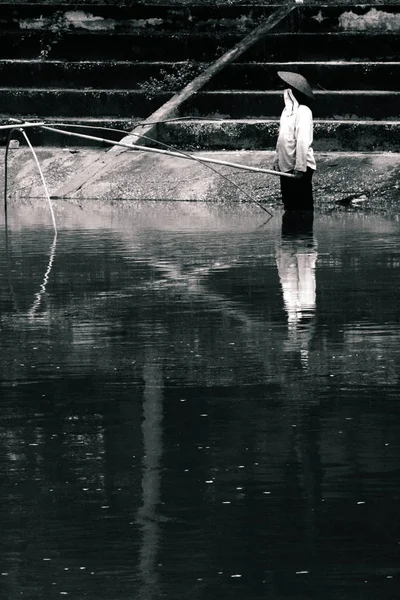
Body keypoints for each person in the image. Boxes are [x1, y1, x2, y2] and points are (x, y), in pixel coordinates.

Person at [273, 71, 316, 211]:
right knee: (289, 204)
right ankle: (289, 232)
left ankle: (304, 232)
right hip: (286, 166)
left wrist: (300, 167)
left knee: (302, 205)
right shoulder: (286, 112)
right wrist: (276, 160)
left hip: (300, 168)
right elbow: (281, 138)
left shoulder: (303, 112)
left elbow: (303, 141)